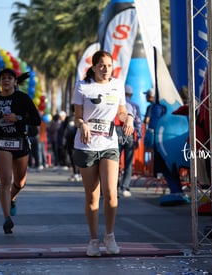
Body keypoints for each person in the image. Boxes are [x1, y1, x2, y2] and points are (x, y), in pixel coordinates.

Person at [72, 50, 134, 257]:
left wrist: (129, 119)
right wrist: (83, 125)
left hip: (109, 143)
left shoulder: (117, 85)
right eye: (102, 65)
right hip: (86, 146)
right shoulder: (82, 86)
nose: (106, 69)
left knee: (111, 193)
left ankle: (110, 236)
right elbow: (77, 117)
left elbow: (122, 112)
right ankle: (93, 240)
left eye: (109, 65)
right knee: (92, 196)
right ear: (94, 66)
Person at [0, 68, 41, 234]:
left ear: (15, 82)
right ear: (0, 82)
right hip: (1, 142)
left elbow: (36, 120)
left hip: (20, 142)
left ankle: (12, 198)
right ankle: (6, 219)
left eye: (9, 78)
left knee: (20, 183)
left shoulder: (23, 98)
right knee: (5, 180)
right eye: (3, 78)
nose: (6, 81)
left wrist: (17, 118)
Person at [116, 85, 142, 197]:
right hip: (129, 133)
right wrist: (139, 138)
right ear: (131, 95)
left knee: (114, 161)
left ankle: (114, 186)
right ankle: (125, 187)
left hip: (116, 132)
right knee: (128, 162)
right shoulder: (134, 105)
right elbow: (138, 123)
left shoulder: (116, 104)